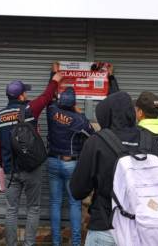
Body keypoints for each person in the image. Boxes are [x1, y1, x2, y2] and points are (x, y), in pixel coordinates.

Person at [0, 68, 62, 246]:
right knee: (33, 208)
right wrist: (55, 79)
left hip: (11, 171)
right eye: (25, 92)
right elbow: (46, 97)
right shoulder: (30, 110)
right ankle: (29, 244)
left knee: (11, 210)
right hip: (32, 169)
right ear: (21, 96)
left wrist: (6, 166)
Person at [70, 91, 140, 246]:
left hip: (105, 226)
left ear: (106, 114)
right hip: (140, 228)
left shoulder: (97, 142)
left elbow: (78, 190)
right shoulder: (148, 140)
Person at [46, 87, 95, 246]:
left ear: (60, 101)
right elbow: (92, 133)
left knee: (55, 203)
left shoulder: (51, 110)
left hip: (52, 161)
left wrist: (54, 75)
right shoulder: (78, 119)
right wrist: (80, 113)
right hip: (71, 164)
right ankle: (75, 243)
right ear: (74, 104)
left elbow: (50, 94)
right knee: (75, 203)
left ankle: (56, 242)